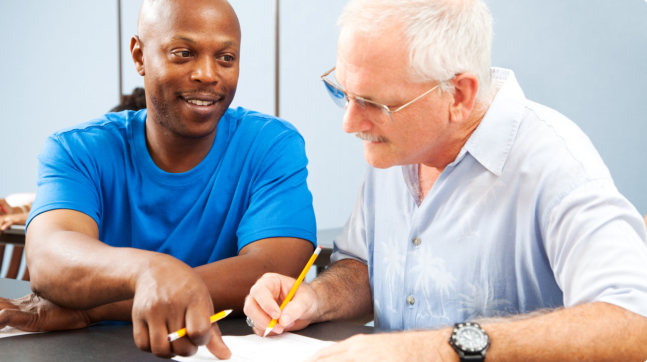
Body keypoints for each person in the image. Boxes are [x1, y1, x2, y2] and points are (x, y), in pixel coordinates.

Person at [244, 0, 647, 360]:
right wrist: (316, 299)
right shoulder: (396, 143)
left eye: (374, 102)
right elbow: (367, 267)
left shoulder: (556, 165)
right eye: (344, 93)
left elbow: (633, 323)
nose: (349, 123)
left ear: (458, 95)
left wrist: (436, 349)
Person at [0, 0, 316, 359]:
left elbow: (271, 270)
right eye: (183, 53)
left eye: (226, 58)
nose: (208, 74)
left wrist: (92, 309)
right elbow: (48, 258)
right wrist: (149, 270)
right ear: (139, 56)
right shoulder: (78, 149)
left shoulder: (270, 144)